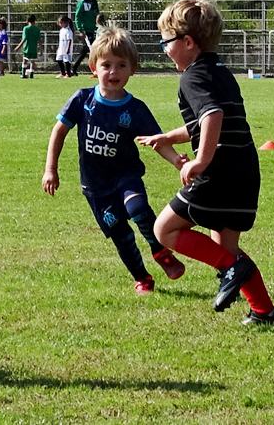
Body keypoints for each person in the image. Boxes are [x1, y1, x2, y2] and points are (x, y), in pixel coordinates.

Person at [137, 0, 274, 327]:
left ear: (188, 42)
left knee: (164, 230)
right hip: (244, 170)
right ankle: (265, 312)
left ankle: (233, 271)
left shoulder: (191, 77)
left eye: (167, 42)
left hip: (218, 173)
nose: (164, 49)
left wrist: (200, 161)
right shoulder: (220, 71)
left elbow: (212, 116)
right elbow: (211, 121)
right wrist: (169, 139)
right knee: (226, 248)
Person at [43, 28, 188, 294]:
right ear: (93, 67)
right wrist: (50, 169)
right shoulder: (82, 99)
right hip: (96, 187)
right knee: (120, 235)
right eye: (106, 65)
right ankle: (143, 278)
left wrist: (177, 161)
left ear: (133, 69)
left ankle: (160, 251)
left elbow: (157, 140)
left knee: (138, 209)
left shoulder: (135, 109)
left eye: (121, 65)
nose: (113, 72)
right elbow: (59, 131)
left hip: (126, 176)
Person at [73, 0, 100, 71]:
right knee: (88, 49)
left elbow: (97, 15)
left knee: (90, 49)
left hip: (92, 29)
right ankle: (74, 68)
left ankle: (74, 68)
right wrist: (80, 29)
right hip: (85, 30)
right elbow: (77, 17)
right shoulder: (82, 2)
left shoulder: (94, 3)